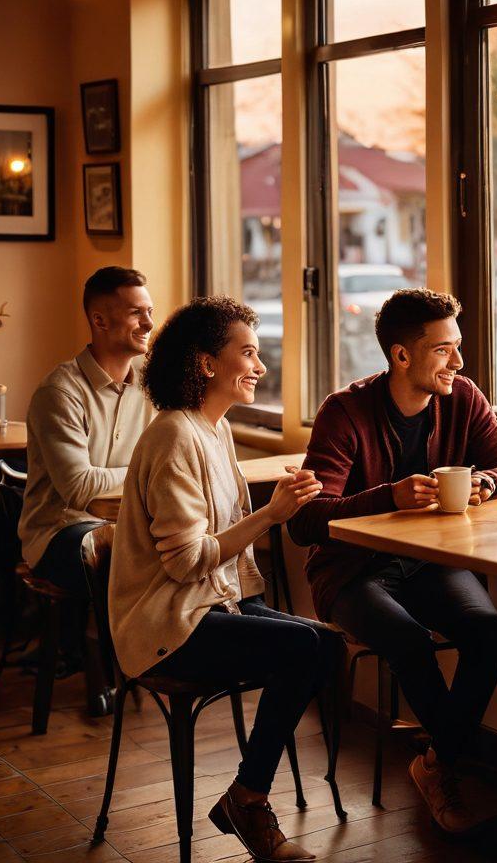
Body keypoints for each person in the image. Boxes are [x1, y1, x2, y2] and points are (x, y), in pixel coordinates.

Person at [288, 288, 497, 835]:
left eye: (458, 348)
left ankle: (435, 763)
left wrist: (487, 482)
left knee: (488, 632)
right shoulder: (344, 412)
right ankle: (449, 769)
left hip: (430, 564)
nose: (459, 363)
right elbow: (305, 523)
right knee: (411, 642)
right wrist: (387, 497)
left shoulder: (462, 397)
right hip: (351, 572)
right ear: (401, 356)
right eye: (444, 350)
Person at [109, 297, 335, 863]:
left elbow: (221, 551)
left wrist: (279, 508)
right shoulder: (174, 436)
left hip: (210, 607)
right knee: (303, 646)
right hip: (166, 624)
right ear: (207, 364)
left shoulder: (215, 430)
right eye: (249, 353)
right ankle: (250, 803)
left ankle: (242, 795)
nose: (259, 366)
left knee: (326, 643)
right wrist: (271, 515)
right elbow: (186, 563)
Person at [18, 267, 156, 671]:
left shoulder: (152, 387)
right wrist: (147, 472)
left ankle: (159, 658)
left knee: (177, 546)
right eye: (136, 313)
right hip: (58, 533)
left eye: (150, 311)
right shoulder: (59, 393)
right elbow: (80, 488)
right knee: (114, 554)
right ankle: (112, 672)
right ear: (99, 320)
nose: (149, 322)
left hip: (125, 526)